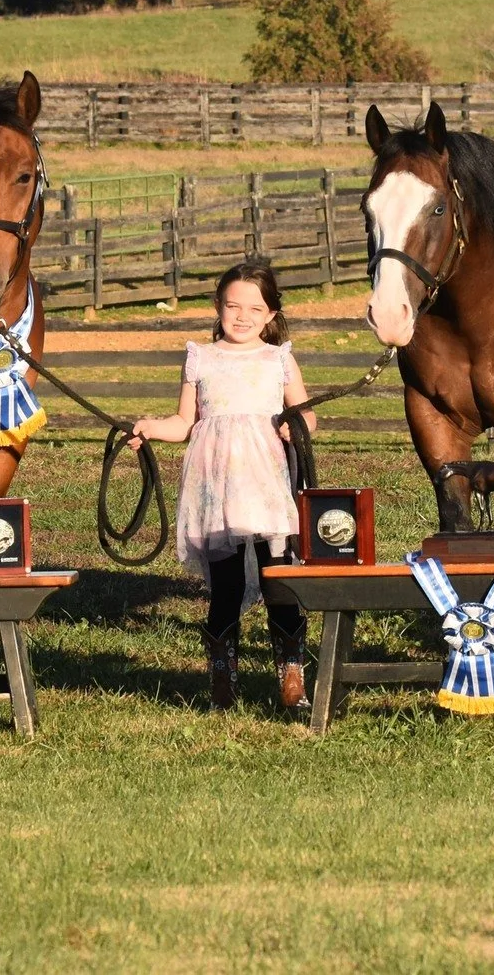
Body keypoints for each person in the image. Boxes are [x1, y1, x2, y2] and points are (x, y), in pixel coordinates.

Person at [130, 262, 315, 711]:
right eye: (233, 306)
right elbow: (184, 421)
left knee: (279, 578)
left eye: (255, 308)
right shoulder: (201, 357)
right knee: (226, 584)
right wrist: (150, 428)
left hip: (268, 486)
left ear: (271, 314)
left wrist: (298, 426)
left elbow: (307, 413)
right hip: (217, 491)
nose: (242, 316)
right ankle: (222, 679)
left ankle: (292, 675)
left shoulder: (278, 358)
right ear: (217, 306)